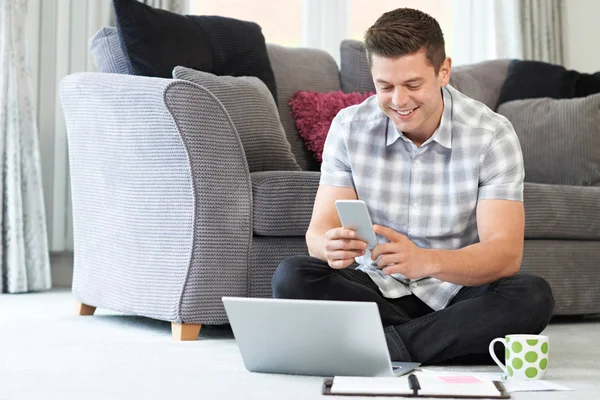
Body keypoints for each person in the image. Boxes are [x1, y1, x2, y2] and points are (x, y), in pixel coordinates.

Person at [271, 8, 555, 365]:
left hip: (456, 292)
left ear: (443, 71)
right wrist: (329, 246)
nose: (399, 101)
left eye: (413, 85)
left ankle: (378, 347)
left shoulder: (491, 135)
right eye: (385, 87)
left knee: (531, 295)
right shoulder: (349, 127)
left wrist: (424, 261)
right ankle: (444, 341)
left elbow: (505, 254)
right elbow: (319, 232)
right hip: (376, 288)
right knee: (293, 277)